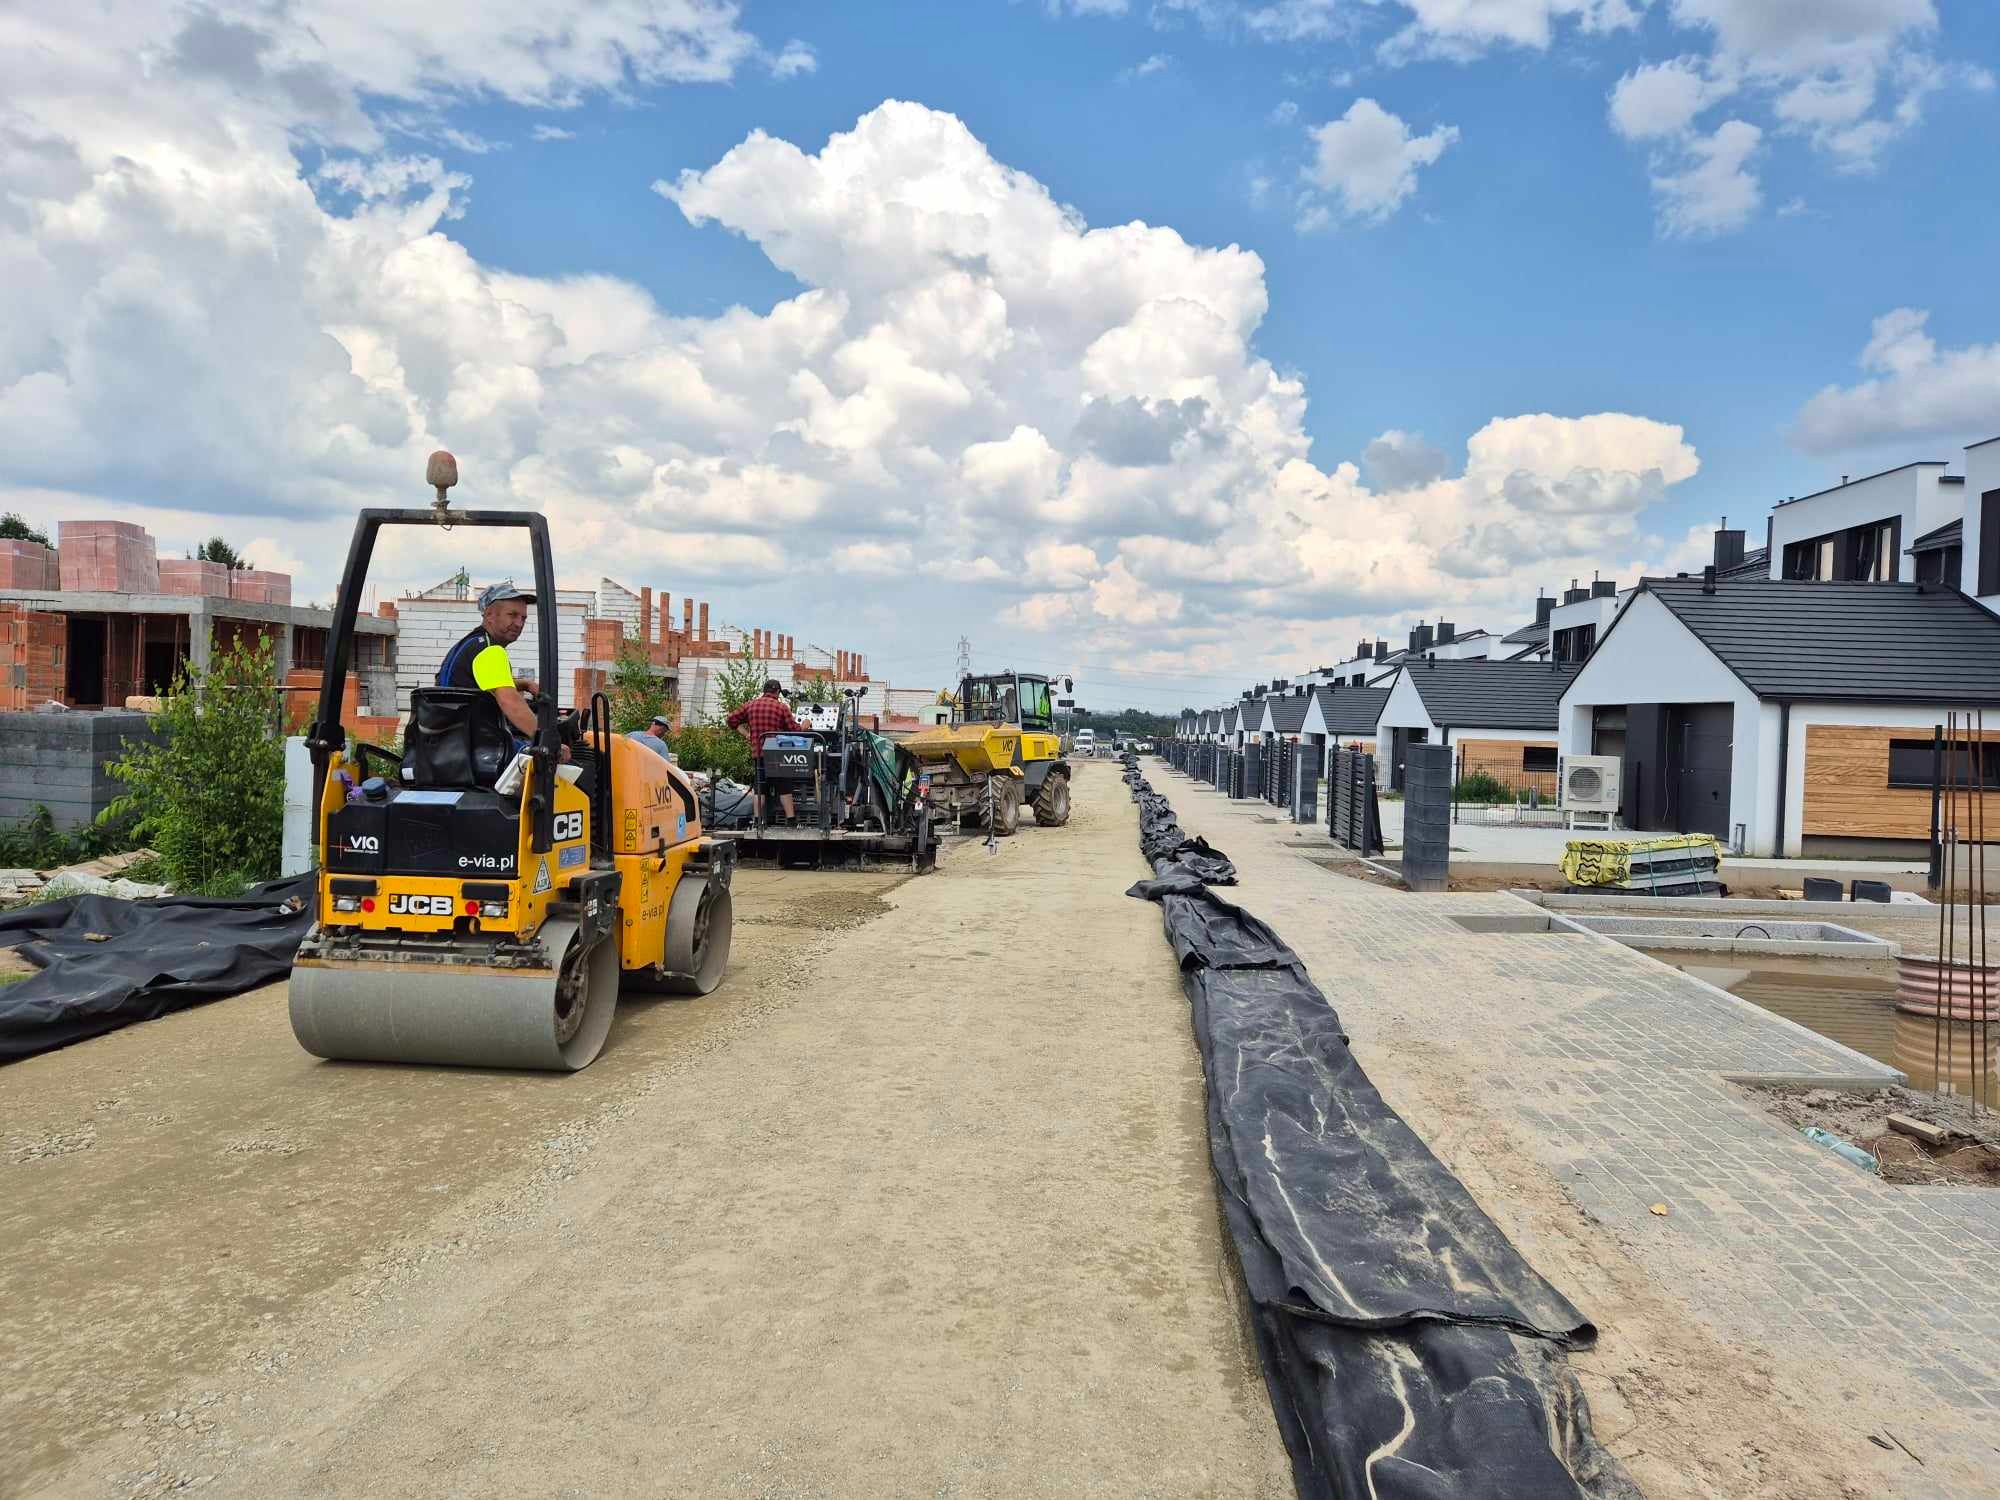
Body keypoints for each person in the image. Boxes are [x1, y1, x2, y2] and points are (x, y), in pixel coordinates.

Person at [437, 580, 568, 760]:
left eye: (523, 618)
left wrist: (525, 684)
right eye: (512, 615)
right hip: (479, 749)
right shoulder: (491, 651)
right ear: (490, 614)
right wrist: (547, 741)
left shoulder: (469, 645)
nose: (519, 623)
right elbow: (510, 701)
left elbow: (484, 682)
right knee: (559, 761)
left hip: (452, 744)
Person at [727, 678, 801, 826]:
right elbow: (795, 730)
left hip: (759, 755)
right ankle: (791, 821)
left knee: (760, 788)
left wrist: (747, 734)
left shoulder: (750, 705)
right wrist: (806, 724)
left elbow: (731, 720)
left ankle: (757, 821)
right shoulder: (781, 707)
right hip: (777, 755)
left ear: (764, 690)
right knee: (784, 787)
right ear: (778, 692)